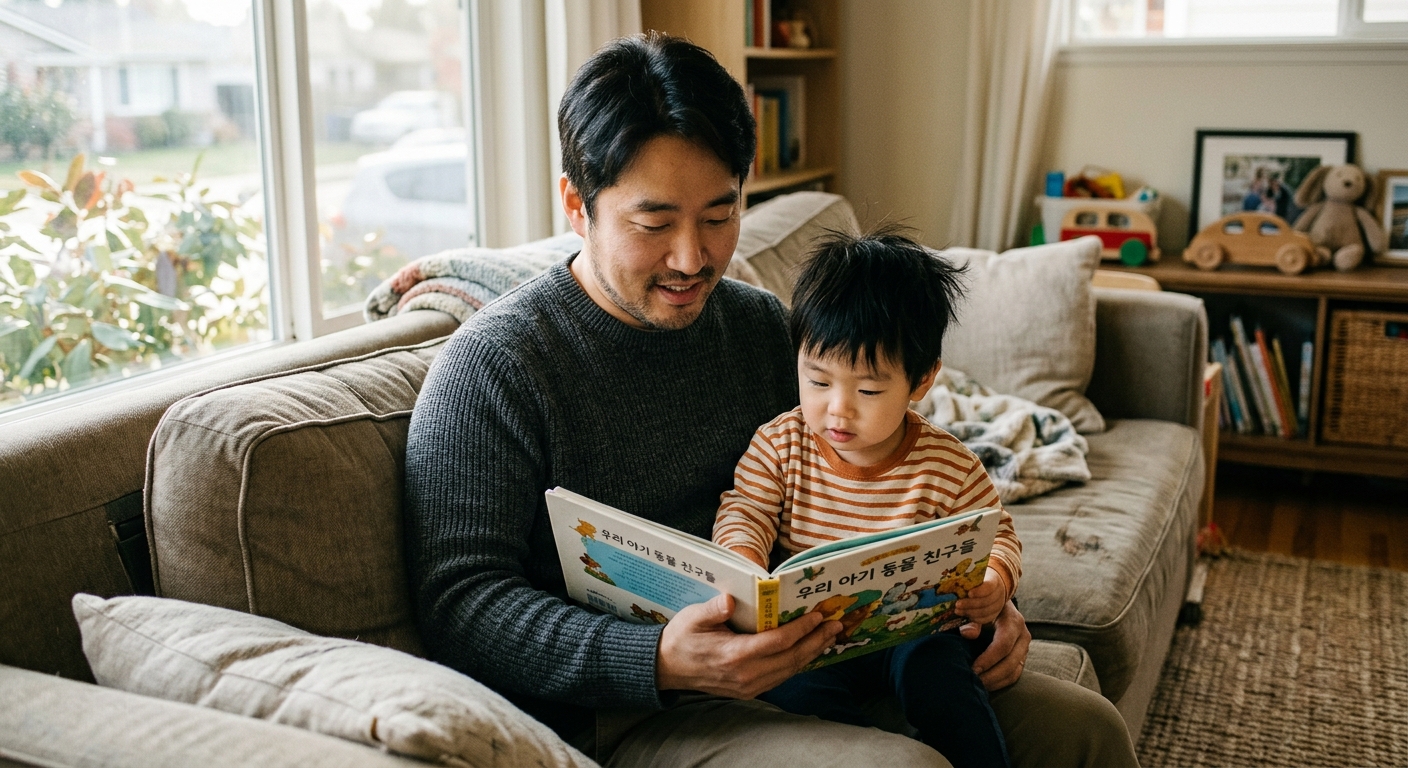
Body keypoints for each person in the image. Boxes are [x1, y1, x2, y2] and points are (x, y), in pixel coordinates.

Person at [404, 31, 1139, 768]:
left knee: (1087, 733)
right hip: (632, 712)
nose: (692, 259)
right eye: (655, 224)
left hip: (824, 658)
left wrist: (987, 606)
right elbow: (459, 604)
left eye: (720, 217)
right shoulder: (493, 368)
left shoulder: (758, 325)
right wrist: (658, 657)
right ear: (576, 204)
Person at [712, 227, 1017, 767]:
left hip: (914, 631)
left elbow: (997, 535)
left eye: (869, 390)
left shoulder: (947, 464)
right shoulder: (781, 443)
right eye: (818, 381)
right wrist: (744, 560)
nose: (837, 410)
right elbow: (746, 510)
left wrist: (995, 581)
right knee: (795, 693)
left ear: (921, 381)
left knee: (941, 679)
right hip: (815, 636)